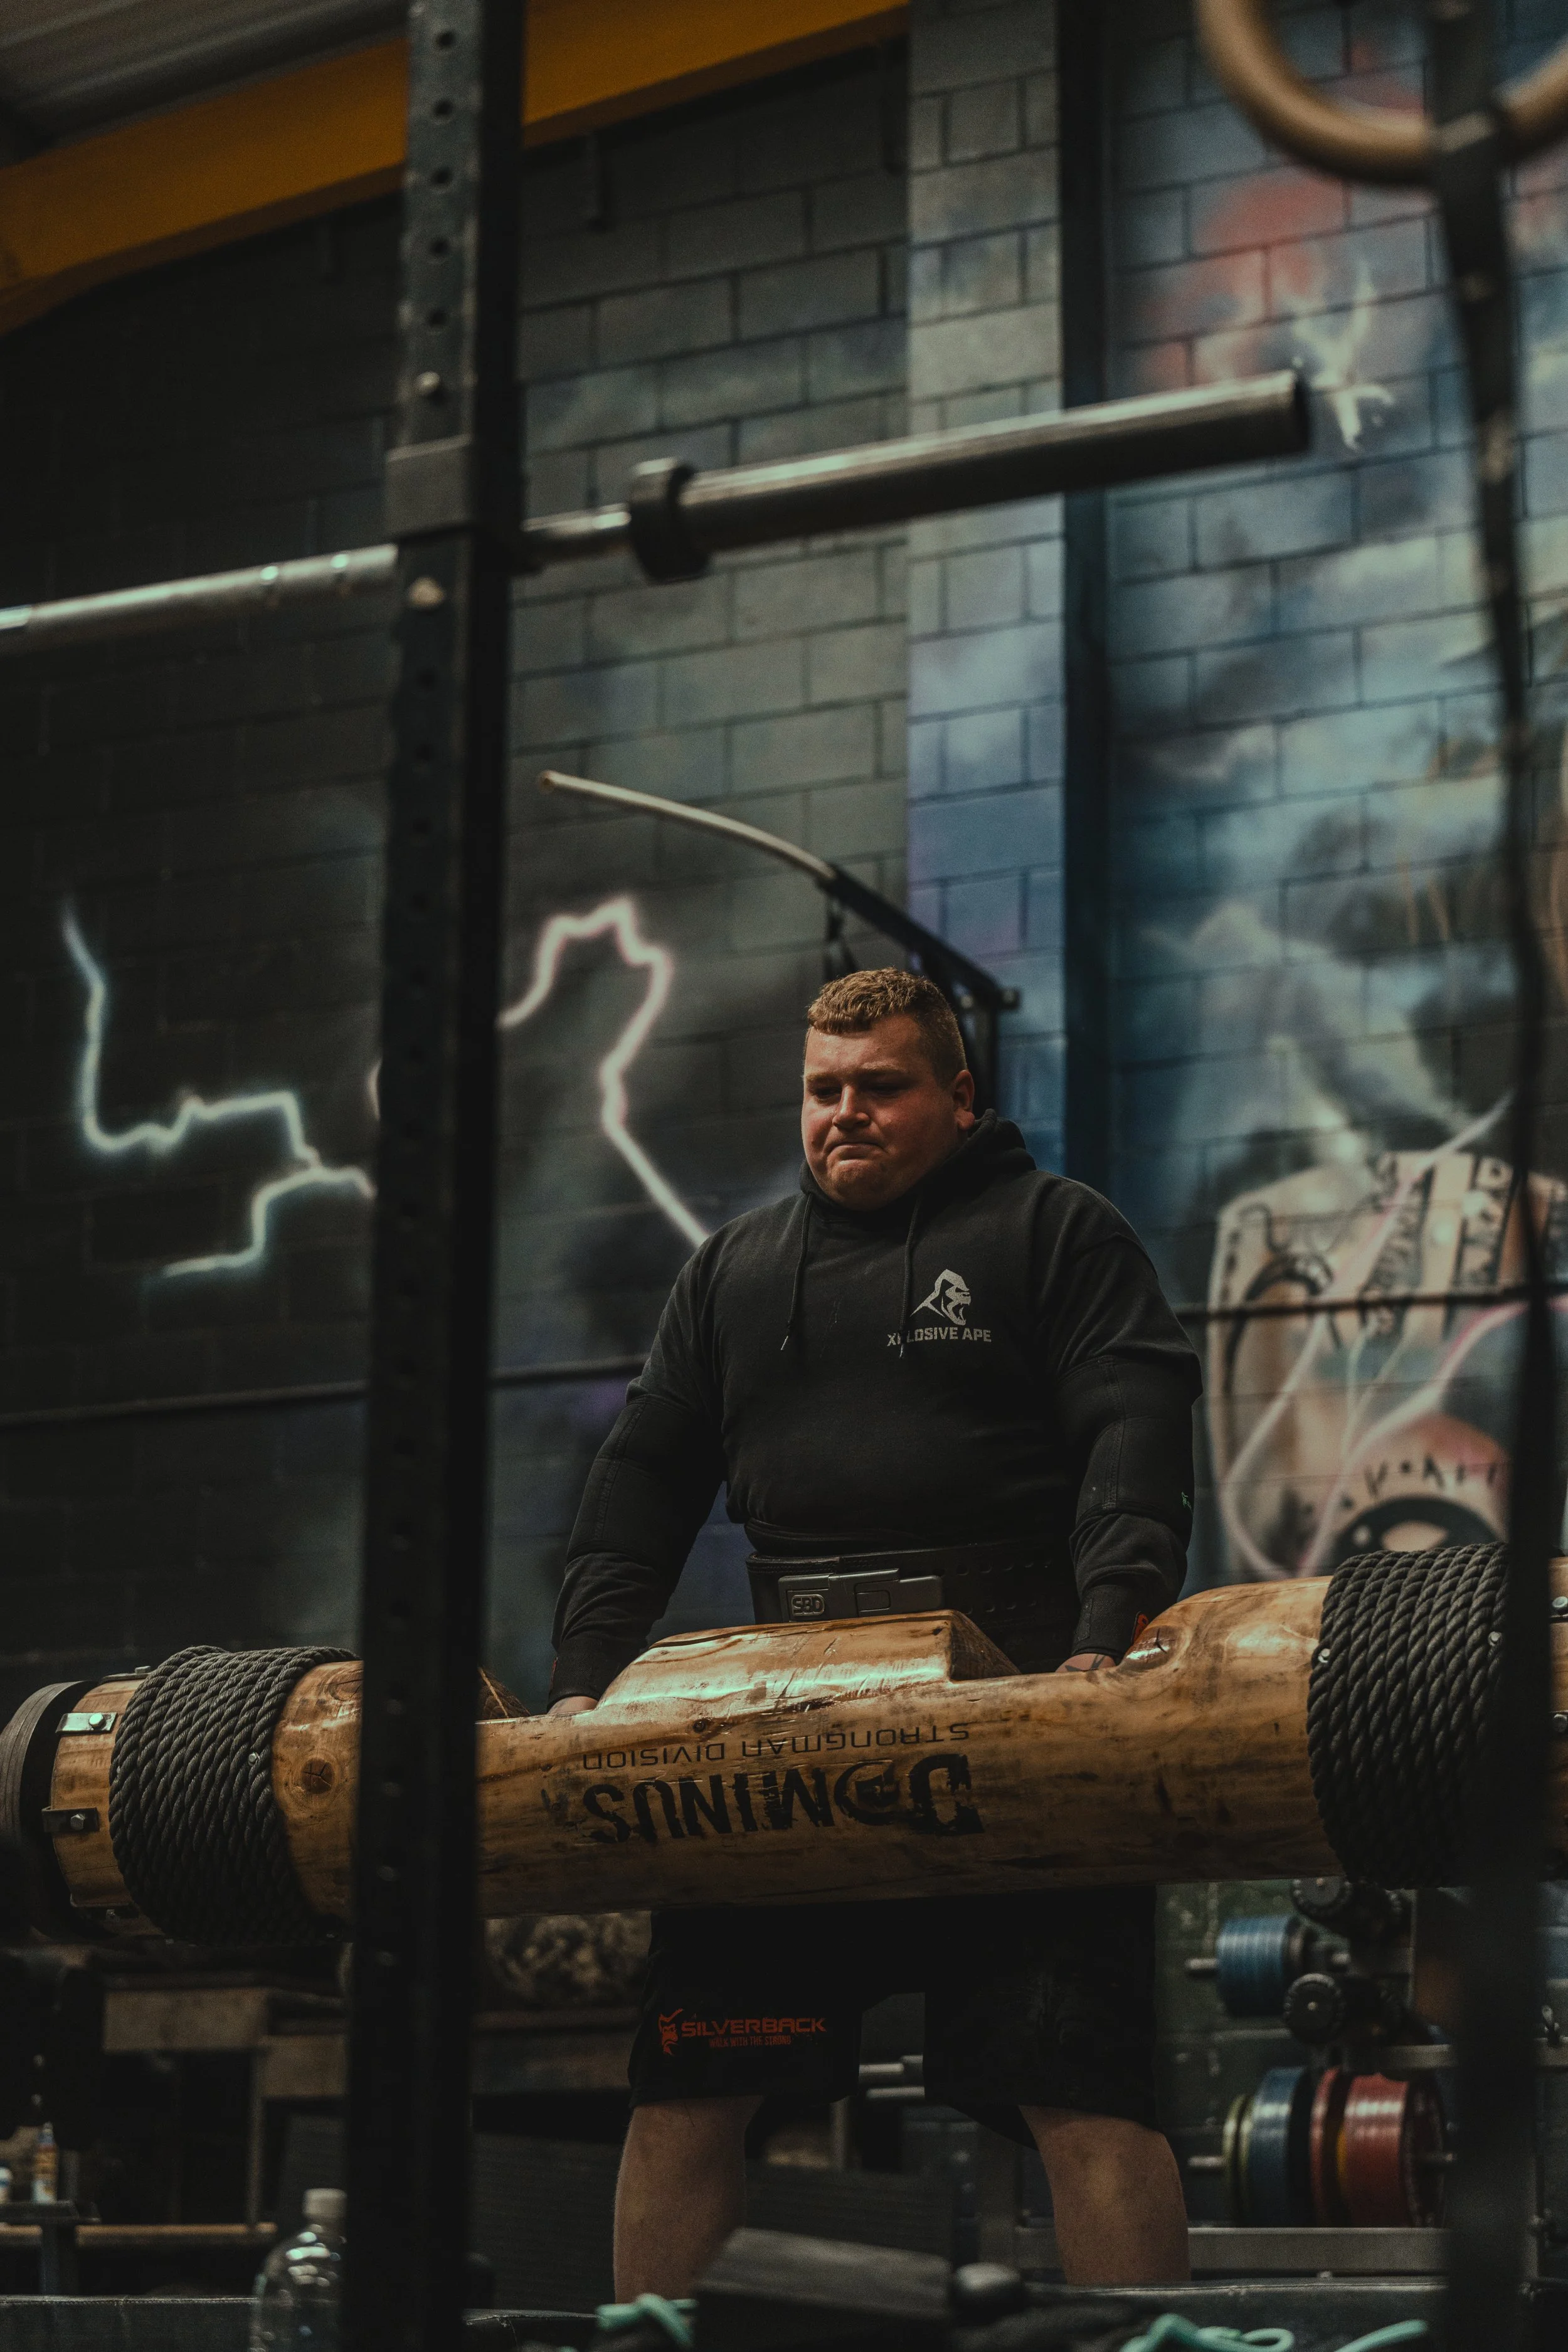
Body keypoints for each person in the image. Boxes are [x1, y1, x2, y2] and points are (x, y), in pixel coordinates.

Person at [549, 969, 1200, 2294]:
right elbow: (637, 1493)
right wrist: (582, 1685)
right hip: (786, 1744)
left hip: (1019, 1733)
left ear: (959, 1097)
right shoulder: (731, 1273)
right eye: (822, 1089)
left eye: (880, 1086)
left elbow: (1131, 1451)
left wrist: (1102, 1640)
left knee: (1085, 2098)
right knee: (684, 2091)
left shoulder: (1057, 1233)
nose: (844, 1112)